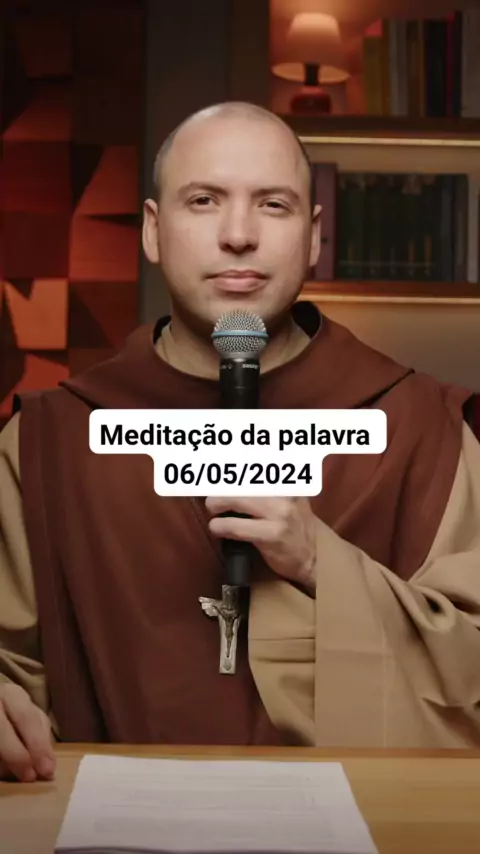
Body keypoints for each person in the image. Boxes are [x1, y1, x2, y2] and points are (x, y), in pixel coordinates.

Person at [1, 101, 480, 786]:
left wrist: (322, 564)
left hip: (364, 820)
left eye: (273, 205)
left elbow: (471, 671)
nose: (238, 235)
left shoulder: (422, 429)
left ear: (313, 236)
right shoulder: (48, 441)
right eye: (204, 201)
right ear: (153, 230)